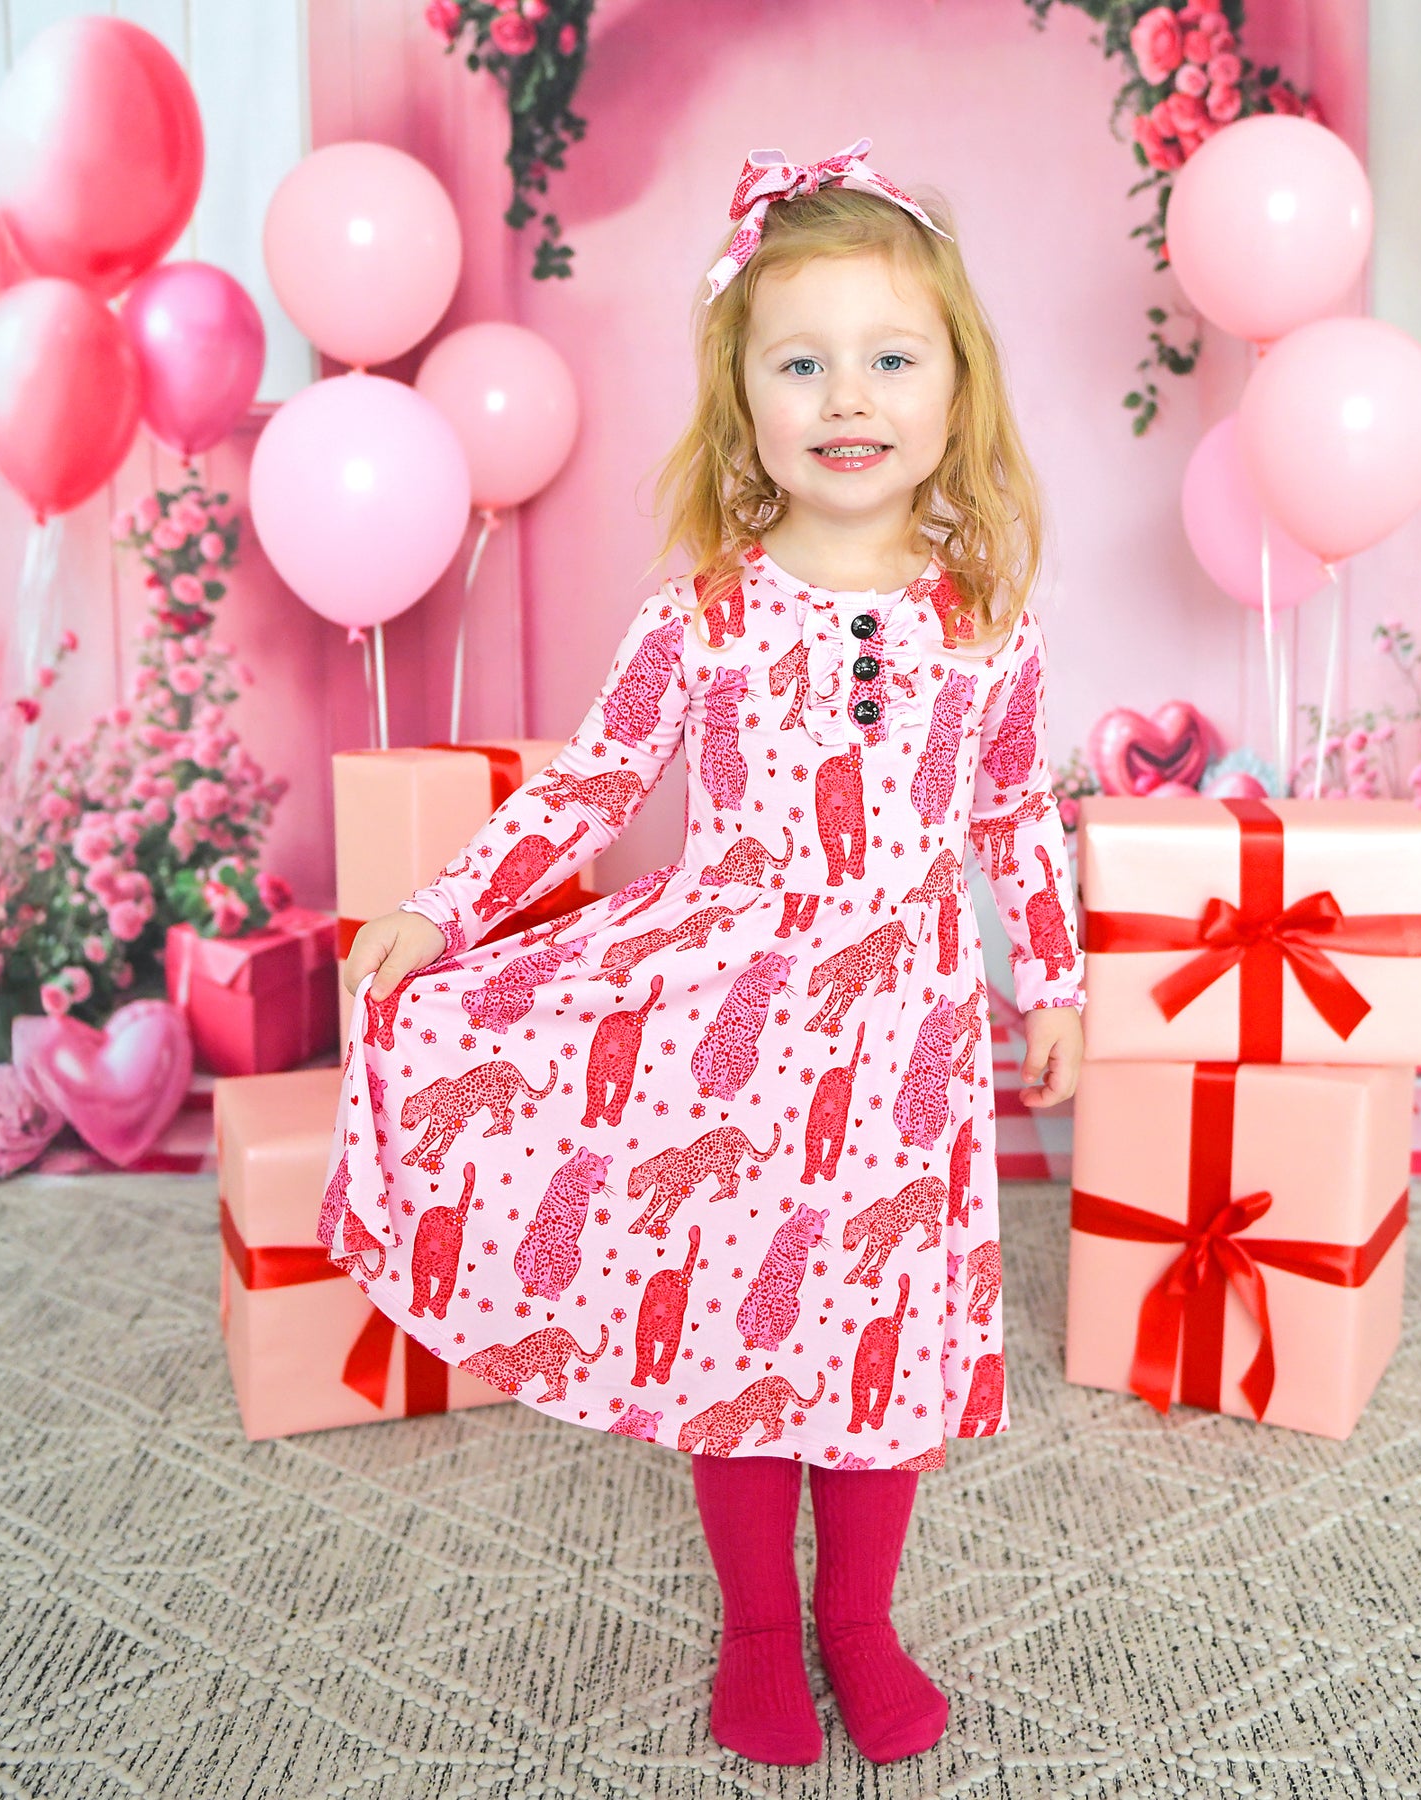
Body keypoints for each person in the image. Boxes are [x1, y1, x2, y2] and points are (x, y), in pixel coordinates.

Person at [320, 136, 1084, 1768]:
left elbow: (1015, 810)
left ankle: (858, 1618)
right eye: (800, 363)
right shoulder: (706, 617)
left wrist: (1059, 981)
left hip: (907, 1049)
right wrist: (446, 911)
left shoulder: (984, 622)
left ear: (959, 385)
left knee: (876, 1344)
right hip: (725, 1023)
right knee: (742, 1331)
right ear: (743, 398)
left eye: (891, 359)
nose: (847, 396)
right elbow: (592, 785)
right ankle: (753, 1629)